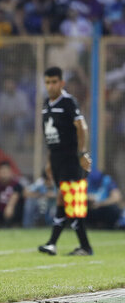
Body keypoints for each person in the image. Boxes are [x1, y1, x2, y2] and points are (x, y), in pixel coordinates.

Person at [38, 66, 93, 256]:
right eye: (47, 82)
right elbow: (48, 135)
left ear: (62, 83)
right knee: (63, 199)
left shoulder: (69, 102)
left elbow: (81, 126)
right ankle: (55, 244)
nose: (50, 86)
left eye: (54, 82)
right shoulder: (46, 104)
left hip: (70, 158)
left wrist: (82, 153)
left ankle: (82, 246)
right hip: (56, 158)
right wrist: (48, 161)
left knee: (70, 200)